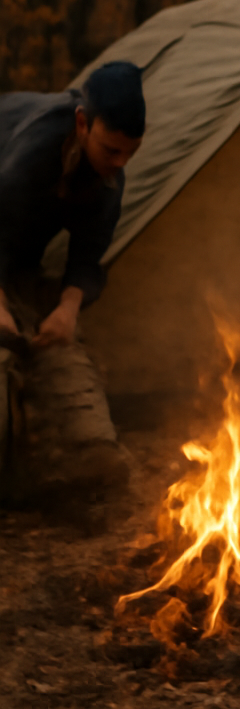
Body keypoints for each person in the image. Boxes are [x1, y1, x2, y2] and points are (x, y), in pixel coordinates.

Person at [0, 61, 146, 495]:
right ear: (82, 124)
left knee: (97, 458)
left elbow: (87, 256)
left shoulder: (108, 179)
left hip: (17, 265)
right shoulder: (30, 156)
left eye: (130, 153)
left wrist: (67, 308)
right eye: (110, 151)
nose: (119, 164)